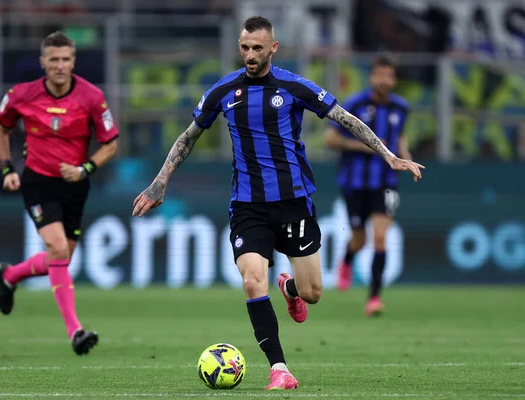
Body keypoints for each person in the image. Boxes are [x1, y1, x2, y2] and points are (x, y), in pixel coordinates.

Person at [132, 16, 423, 390]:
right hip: (248, 206)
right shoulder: (223, 91)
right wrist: (159, 182)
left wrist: (388, 155)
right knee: (254, 281)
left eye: (257, 48)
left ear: (273, 47)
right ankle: (279, 369)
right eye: (244, 48)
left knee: (313, 293)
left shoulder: (294, 86)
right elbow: (188, 138)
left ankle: (290, 290)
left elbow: (346, 119)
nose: (250, 55)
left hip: (293, 203)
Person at [0, 31, 119, 355]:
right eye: (54, 60)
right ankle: (75, 330)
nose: (60, 66)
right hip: (38, 182)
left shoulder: (91, 97)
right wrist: (7, 169)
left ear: (73, 61)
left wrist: (85, 169)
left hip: (75, 184)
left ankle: (9, 275)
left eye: (65, 60)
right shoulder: (21, 94)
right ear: (43, 62)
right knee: (59, 249)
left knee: (60, 258)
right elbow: (0, 128)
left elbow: (111, 144)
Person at [325, 56, 411, 317]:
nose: (384, 81)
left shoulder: (401, 108)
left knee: (382, 237)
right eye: (379, 75)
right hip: (355, 182)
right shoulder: (354, 104)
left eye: (389, 76)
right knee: (359, 240)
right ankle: (347, 260)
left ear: (394, 80)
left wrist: (406, 159)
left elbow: (401, 137)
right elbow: (330, 138)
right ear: (372, 78)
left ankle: (374, 298)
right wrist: (366, 145)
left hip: (387, 183)